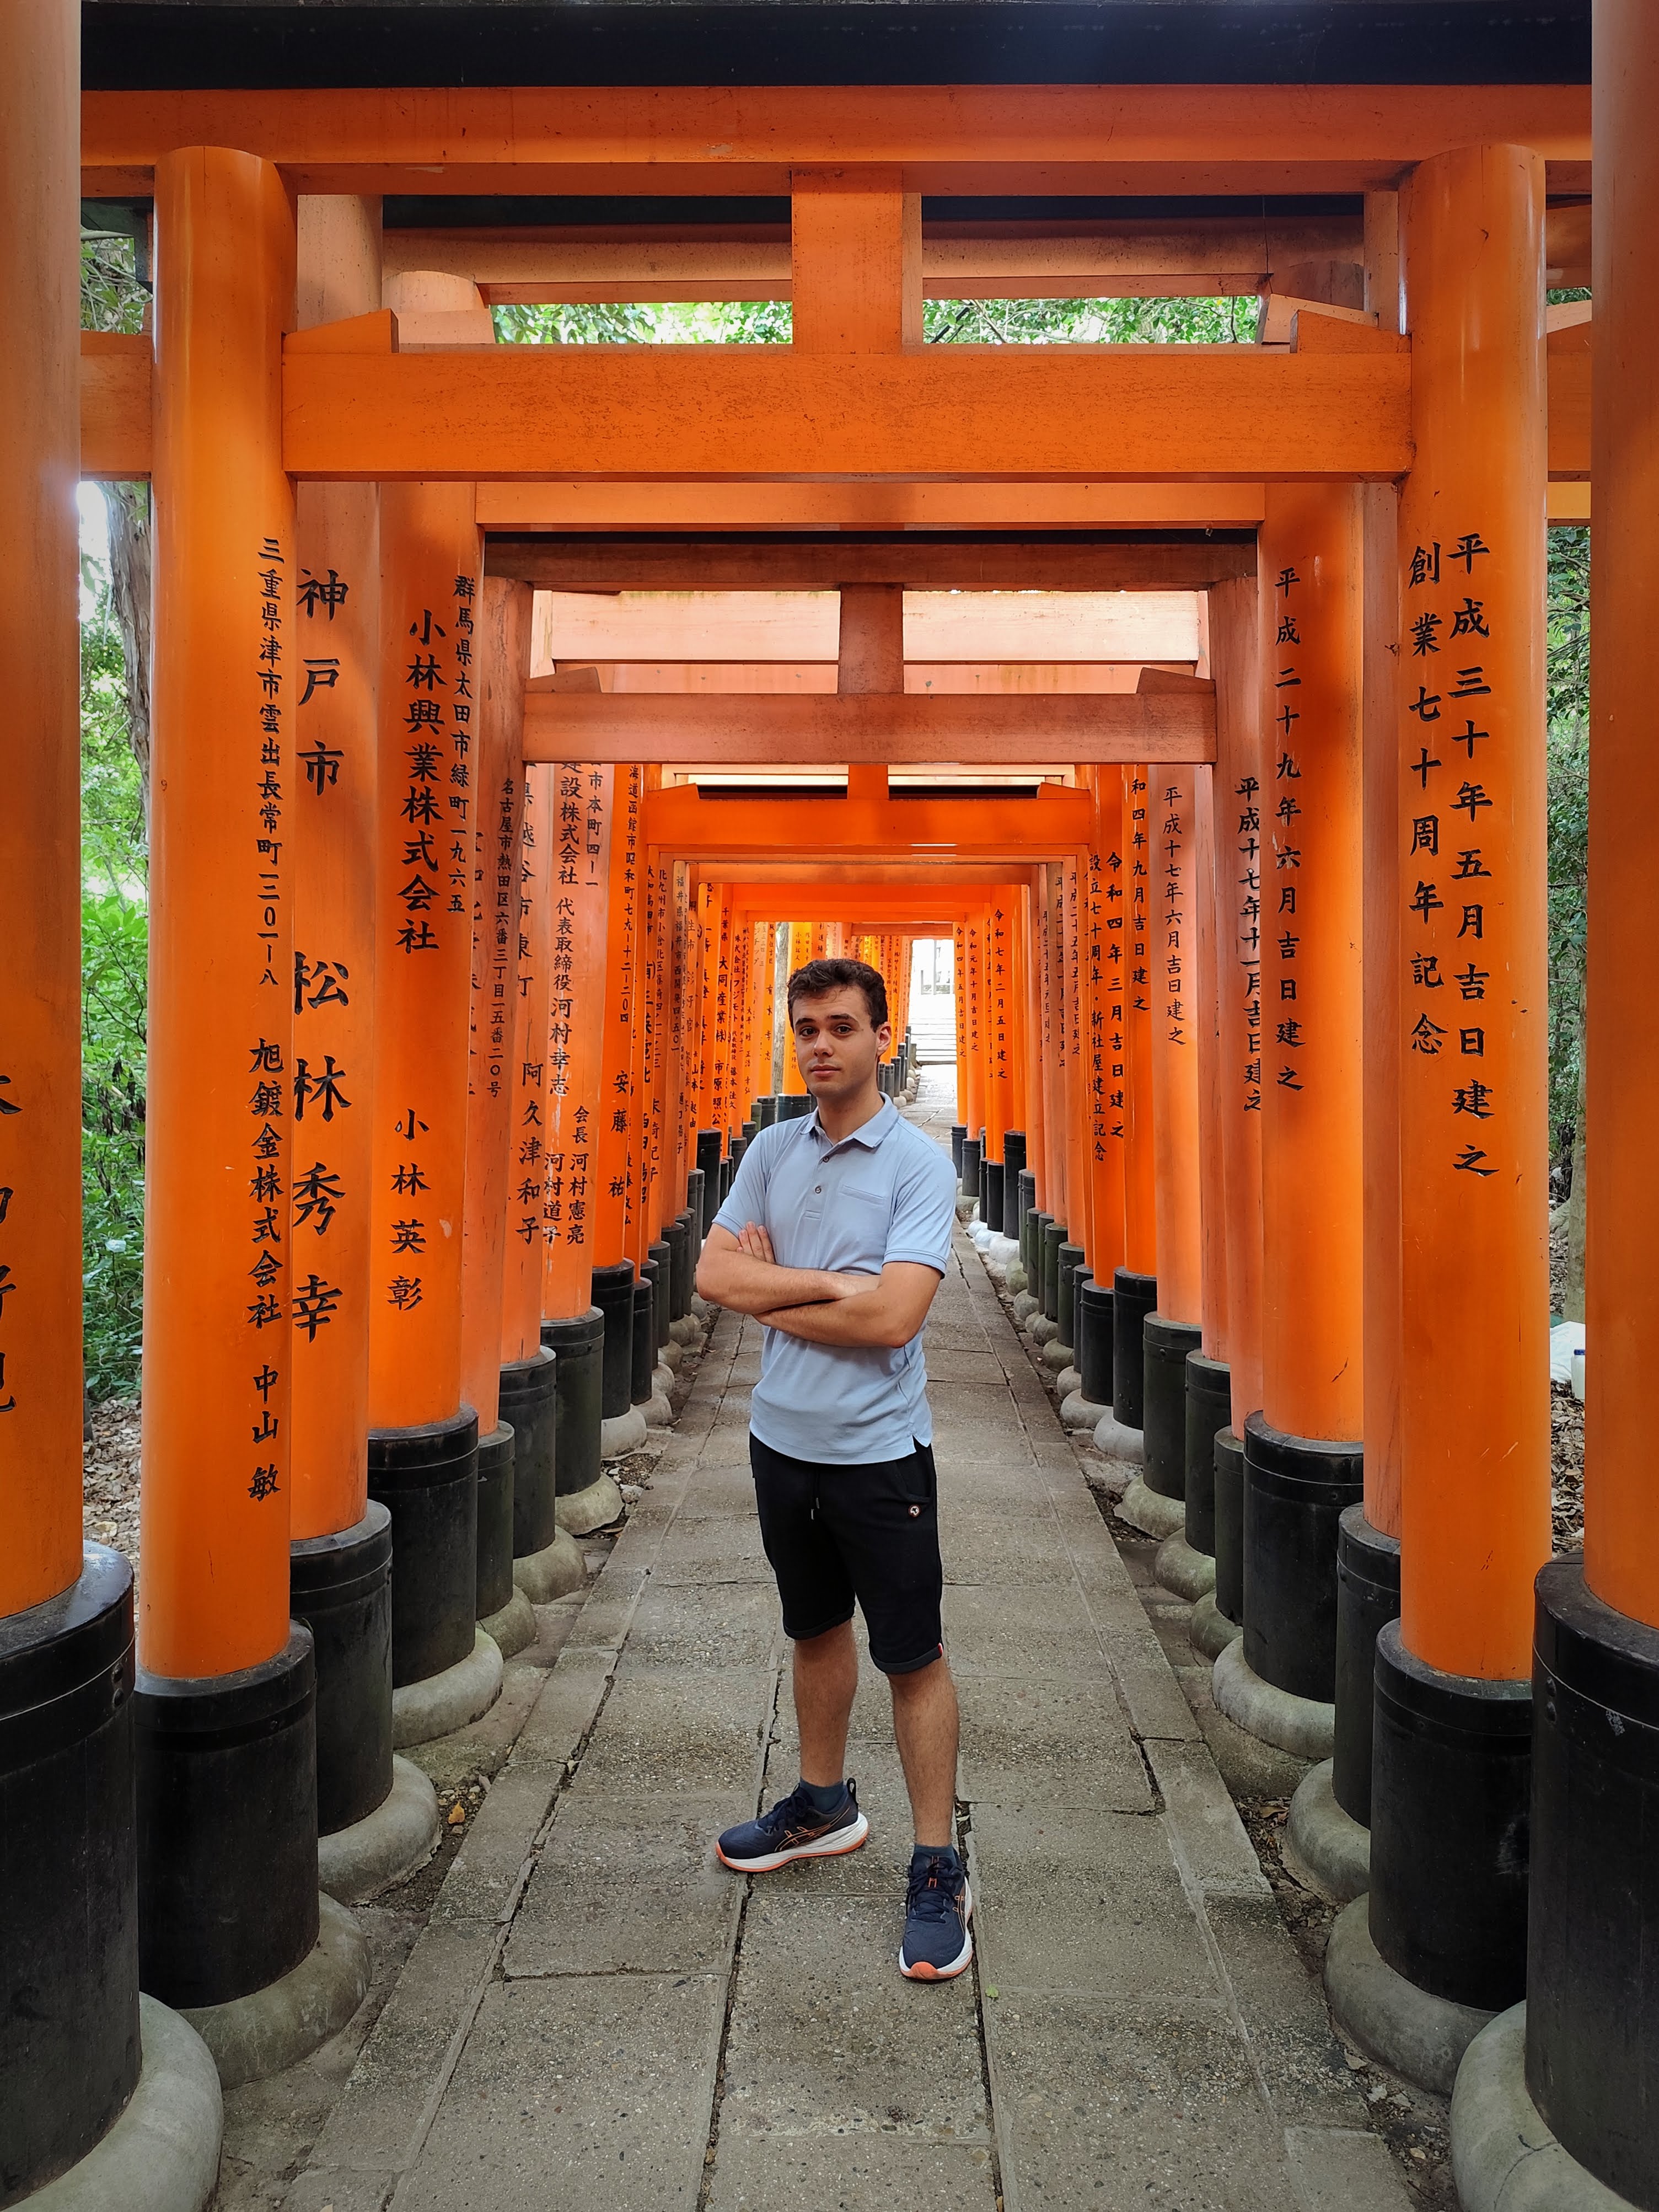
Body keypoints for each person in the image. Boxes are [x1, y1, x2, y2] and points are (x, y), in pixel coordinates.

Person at [695, 956, 969, 1981]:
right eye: (806, 1027)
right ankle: (823, 1804)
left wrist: (764, 1288)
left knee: (912, 1657)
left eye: (842, 1027)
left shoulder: (915, 1165)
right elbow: (712, 1274)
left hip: (877, 1454)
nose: (820, 1044)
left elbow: (895, 1315)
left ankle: (937, 1860)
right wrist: (815, 1284)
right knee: (811, 1631)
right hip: (781, 1443)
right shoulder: (771, 1148)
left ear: (880, 1039)